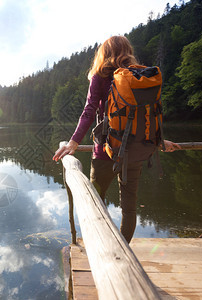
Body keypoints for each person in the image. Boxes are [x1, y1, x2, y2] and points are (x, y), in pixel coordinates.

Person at [52, 36, 180, 243]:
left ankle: (102, 248)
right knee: (129, 207)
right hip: (136, 150)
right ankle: (124, 250)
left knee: (96, 204)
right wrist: (159, 141)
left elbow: (89, 110)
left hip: (105, 151)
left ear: (104, 53)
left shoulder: (100, 76)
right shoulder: (141, 77)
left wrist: (73, 142)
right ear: (128, 51)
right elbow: (151, 114)